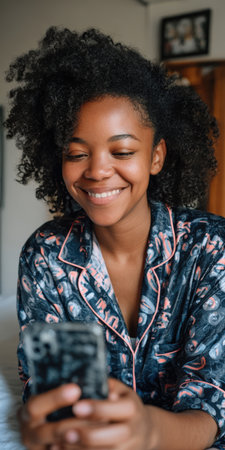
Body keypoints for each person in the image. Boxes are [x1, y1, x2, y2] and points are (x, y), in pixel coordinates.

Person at [5, 26, 225, 450]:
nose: (97, 171)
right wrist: (46, 423)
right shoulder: (46, 255)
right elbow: (50, 393)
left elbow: (213, 406)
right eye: (77, 153)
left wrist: (146, 432)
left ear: (156, 156)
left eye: (122, 151)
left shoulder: (211, 249)